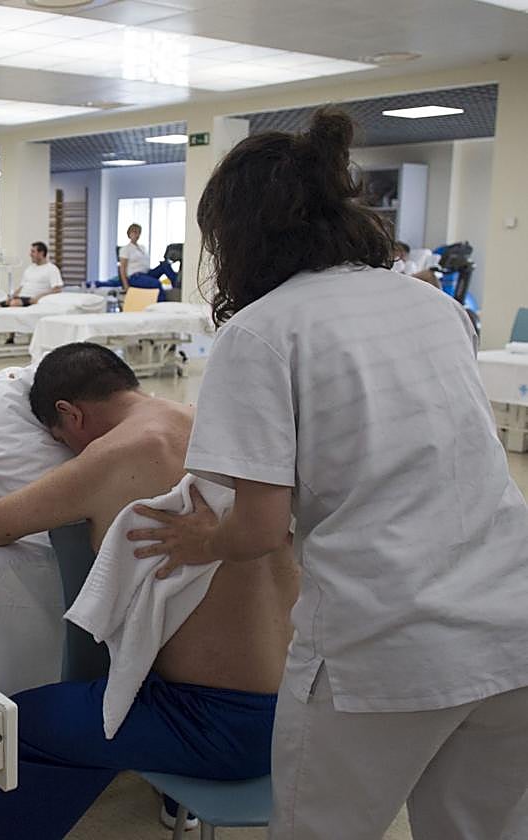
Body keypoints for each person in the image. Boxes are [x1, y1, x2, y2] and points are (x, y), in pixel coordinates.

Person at [126, 109, 528, 840]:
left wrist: (200, 541)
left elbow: (258, 529)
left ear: (236, 235)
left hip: (387, 641)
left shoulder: (263, 331)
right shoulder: (437, 306)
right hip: (510, 620)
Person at [0, 342, 298, 839]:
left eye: (60, 437)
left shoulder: (116, 454)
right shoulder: (209, 424)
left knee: (16, 729)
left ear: (71, 413)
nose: (68, 449)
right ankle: (169, 798)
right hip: (302, 705)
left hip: (226, 727)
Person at [0, 242, 62, 307]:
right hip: (20, 298)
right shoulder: (29, 268)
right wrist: (11, 296)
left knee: (14, 303)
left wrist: (39, 297)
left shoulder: (52, 269)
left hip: (31, 298)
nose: (30, 254)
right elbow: (21, 287)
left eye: (33, 252)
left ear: (41, 253)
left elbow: (57, 290)